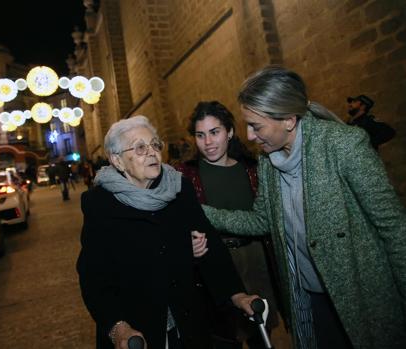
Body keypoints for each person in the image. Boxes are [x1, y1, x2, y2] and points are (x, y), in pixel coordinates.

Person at [201, 66, 406, 349]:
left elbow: (394, 229)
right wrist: (201, 212)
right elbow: (262, 221)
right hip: (310, 301)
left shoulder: (343, 145)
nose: (248, 136)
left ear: (287, 119)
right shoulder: (268, 162)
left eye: (256, 126)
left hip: (362, 298)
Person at [76, 115, 260, 349]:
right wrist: (118, 327)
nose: (151, 152)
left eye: (155, 144)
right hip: (137, 327)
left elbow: (210, 245)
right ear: (117, 161)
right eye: (140, 148)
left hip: (188, 321)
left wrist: (236, 294)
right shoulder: (100, 204)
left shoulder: (179, 187)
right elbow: (93, 277)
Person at [176, 101, 279, 349]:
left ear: (230, 132)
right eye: (200, 135)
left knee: (261, 336)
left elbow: (267, 219)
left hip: (255, 260)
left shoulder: (253, 169)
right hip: (213, 263)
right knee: (223, 337)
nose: (208, 142)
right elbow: (177, 222)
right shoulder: (184, 175)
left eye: (215, 132)